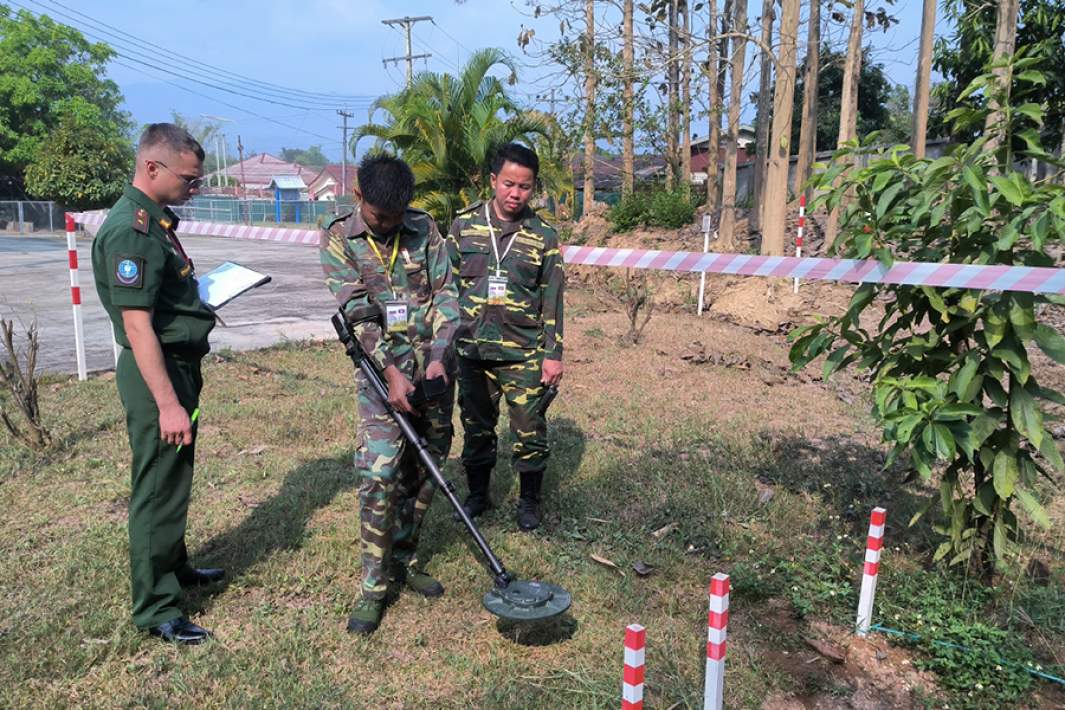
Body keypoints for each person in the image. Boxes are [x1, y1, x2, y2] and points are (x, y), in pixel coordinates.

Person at [90, 123, 222, 645]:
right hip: (157, 373)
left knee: (175, 478)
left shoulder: (157, 223)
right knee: (157, 486)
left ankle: (176, 568)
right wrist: (167, 404)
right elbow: (137, 325)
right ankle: (157, 607)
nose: (195, 189)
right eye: (189, 180)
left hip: (178, 365)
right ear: (152, 168)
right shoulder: (132, 231)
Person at [320, 154, 460, 635]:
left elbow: (447, 296)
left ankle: (406, 554)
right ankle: (374, 587)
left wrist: (440, 355)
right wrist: (393, 373)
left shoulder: (424, 228)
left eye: (398, 216)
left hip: (435, 373)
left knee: (429, 468)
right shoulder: (340, 236)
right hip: (381, 377)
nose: (389, 226)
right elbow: (356, 311)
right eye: (381, 218)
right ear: (359, 198)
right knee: (380, 473)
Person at [446, 143, 565, 532]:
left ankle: (529, 502)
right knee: (476, 425)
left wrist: (553, 353)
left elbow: (552, 297)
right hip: (472, 348)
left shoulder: (543, 235)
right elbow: (445, 288)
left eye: (525, 187)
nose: (516, 194)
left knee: (530, 427)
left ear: (534, 188)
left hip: (522, 351)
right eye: (509, 184)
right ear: (493, 181)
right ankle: (478, 494)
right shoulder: (464, 225)